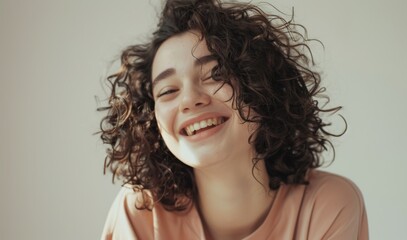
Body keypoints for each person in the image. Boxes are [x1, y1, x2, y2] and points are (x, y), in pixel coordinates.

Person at [98, 0, 369, 239]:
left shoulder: (328, 204)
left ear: (259, 85)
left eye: (216, 75)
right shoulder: (141, 211)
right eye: (168, 91)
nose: (190, 100)